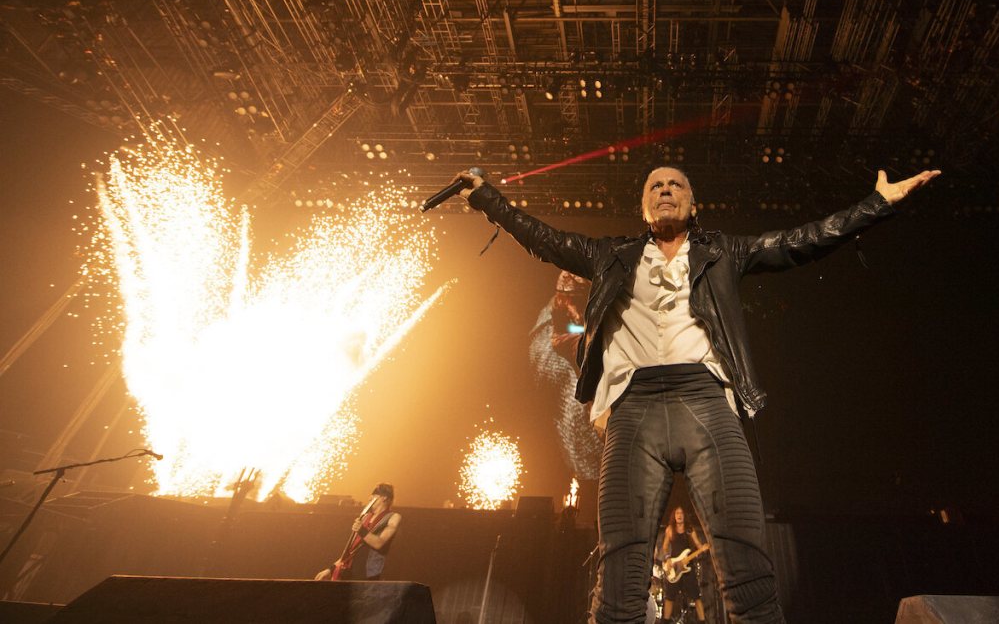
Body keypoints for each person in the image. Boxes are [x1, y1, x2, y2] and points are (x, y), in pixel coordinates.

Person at [456, 165, 939, 623]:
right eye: (655, 186)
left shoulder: (723, 252)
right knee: (619, 584)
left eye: (676, 185)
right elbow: (545, 238)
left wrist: (876, 204)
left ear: (693, 204)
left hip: (707, 405)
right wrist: (487, 199)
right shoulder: (610, 255)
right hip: (633, 411)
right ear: (643, 208)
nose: (665, 189)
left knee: (749, 575)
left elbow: (801, 241)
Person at [316, 483, 401, 581]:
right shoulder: (365, 518)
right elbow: (351, 549)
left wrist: (362, 530)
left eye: (374, 494)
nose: (370, 498)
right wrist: (331, 569)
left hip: (369, 575)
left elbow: (379, 543)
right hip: (349, 573)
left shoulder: (393, 517)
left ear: (384, 498)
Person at [657, 506, 709, 623]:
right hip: (674, 567)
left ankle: (702, 622)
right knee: (669, 598)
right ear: (674, 516)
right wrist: (667, 558)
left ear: (684, 515)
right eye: (677, 513)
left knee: (696, 597)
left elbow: (698, 545)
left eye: (681, 513)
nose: (679, 515)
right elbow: (665, 547)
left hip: (688, 568)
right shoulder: (670, 529)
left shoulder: (689, 529)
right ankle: (665, 621)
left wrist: (703, 548)